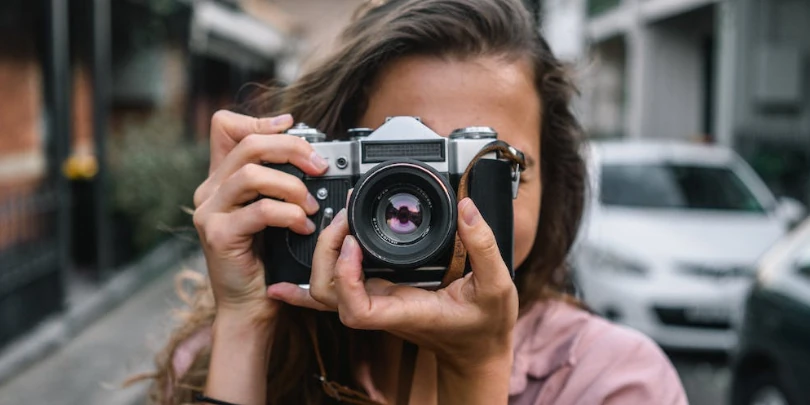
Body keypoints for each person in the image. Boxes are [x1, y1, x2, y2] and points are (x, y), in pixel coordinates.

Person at [144, 0, 688, 404]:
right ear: (322, 174)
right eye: (402, 172)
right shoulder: (223, 357)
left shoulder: (612, 382)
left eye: (493, 172)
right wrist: (246, 323)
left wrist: (477, 367)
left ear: (556, 190)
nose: (440, 209)